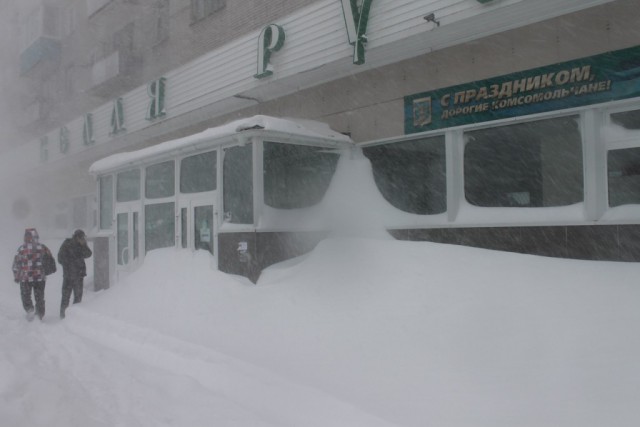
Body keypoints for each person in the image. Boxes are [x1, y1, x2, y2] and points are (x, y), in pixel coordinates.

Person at [12, 228, 53, 321]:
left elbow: (16, 264)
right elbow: (50, 259)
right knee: (40, 297)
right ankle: (40, 314)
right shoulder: (43, 247)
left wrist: (16, 276)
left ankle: (30, 310)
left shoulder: (21, 249)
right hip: (40, 278)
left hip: (25, 278)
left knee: (26, 296)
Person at [58, 229, 92, 319]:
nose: (83, 240)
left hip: (78, 276)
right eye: (82, 238)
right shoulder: (67, 243)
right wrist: (69, 263)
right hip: (69, 276)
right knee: (66, 297)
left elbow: (89, 254)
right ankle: (63, 316)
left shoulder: (81, 245)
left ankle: (74, 316)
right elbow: (60, 258)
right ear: (77, 237)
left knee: (78, 297)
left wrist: (84, 245)